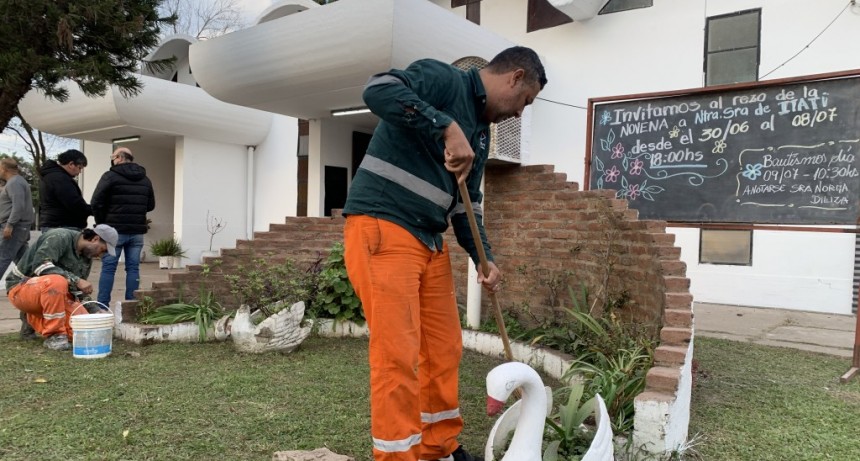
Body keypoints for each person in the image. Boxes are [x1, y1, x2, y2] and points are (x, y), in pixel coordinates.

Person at [342, 47, 546, 461]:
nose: (520, 114)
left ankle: (438, 447)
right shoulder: (444, 80)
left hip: (428, 240)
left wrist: (483, 259)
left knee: (444, 347)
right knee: (396, 355)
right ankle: (398, 456)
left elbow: (466, 206)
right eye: (525, 101)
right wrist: (445, 126)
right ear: (514, 77)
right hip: (384, 226)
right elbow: (378, 89)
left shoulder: (483, 134)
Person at [6, 224, 117, 351]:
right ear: (95, 239)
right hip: (19, 288)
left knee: (79, 332)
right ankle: (54, 336)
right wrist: (76, 280)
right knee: (56, 282)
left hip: (46, 293)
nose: (100, 256)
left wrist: (96, 311)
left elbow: (76, 291)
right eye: (103, 250)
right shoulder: (59, 236)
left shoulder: (86, 257)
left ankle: (32, 318)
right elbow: (39, 266)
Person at [91, 147, 155, 307]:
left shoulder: (110, 176)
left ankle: (102, 307)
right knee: (133, 268)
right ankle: (131, 306)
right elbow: (151, 205)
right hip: (136, 231)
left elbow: (96, 202)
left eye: (113, 156)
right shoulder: (145, 179)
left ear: (119, 157)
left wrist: (101, 224)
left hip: (113, 231)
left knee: (108, 268)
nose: (112, 160)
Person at [0, 158, 38, 339]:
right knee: (26, 264)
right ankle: (33, 286)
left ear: (4, 168)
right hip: (19, 228)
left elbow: (19, 206)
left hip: (14, 228)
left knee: (3, 258)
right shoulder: (16, 182)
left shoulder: (15, 182)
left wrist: (9, 225)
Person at [39, 148, 92, 231]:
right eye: (79, 168)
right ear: (71, 164)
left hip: (55, 224)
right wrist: (94, 210)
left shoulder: (52, 176)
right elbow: (74, 203)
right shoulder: (60, 178)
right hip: (62, 226)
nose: (80, 172)